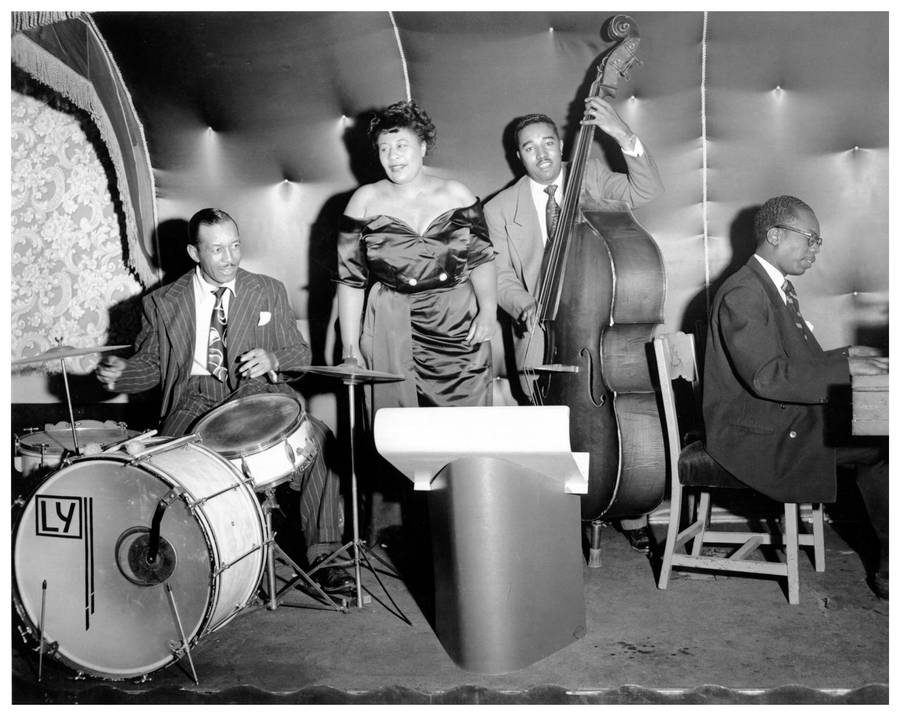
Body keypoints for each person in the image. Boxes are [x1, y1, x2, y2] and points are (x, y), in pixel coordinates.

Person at [96, 208, 354, 595]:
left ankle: (325, 556)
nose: (230, 257)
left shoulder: (268, 289)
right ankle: (199, 564)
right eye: (217, 249)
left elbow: (299, 352)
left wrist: (274, 360)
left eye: (235, 245)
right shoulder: (163, 303)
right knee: (167, 470)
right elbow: (151, 366)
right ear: (194, 252)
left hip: (258, 396)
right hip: (193, 399)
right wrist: (121, 374)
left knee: (320, 441)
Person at [484, 98, 664, 552]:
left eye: (548, 143)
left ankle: (626, 506)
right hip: (541, 339)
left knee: (611, 422)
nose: (541, 154)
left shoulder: (593, 178)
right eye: (529, 148)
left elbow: (646, 193)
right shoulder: (500, 207)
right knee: (550, 433)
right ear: (517, 156)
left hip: (596, 335)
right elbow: (501, 276)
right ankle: (567, 517)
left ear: (562, 145)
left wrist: (623, 135)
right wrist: (524, 305)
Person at [703, 195, 889, 599]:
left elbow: (795, 364)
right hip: (752, 435)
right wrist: (848, 371)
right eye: (810, 239)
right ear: (774, 235)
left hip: (773, 419)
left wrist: (847, 355)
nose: (815, 250)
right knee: (881, 447)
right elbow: (769, 377)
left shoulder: (773, 288)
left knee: (879, 438)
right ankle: (890, 572)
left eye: (818, 242)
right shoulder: (745, 292)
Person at [336, 100, 497, 409]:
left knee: (468, 433)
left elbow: (482, 260)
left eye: (401, 144)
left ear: (423, 146)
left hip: (457, 328)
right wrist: (350, 349)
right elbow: (349, 282)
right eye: (384, 148)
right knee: (400, 436)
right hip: (390, 329)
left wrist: (488, 310)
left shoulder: (457, 194)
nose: (393, 156)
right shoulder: (363, 202)